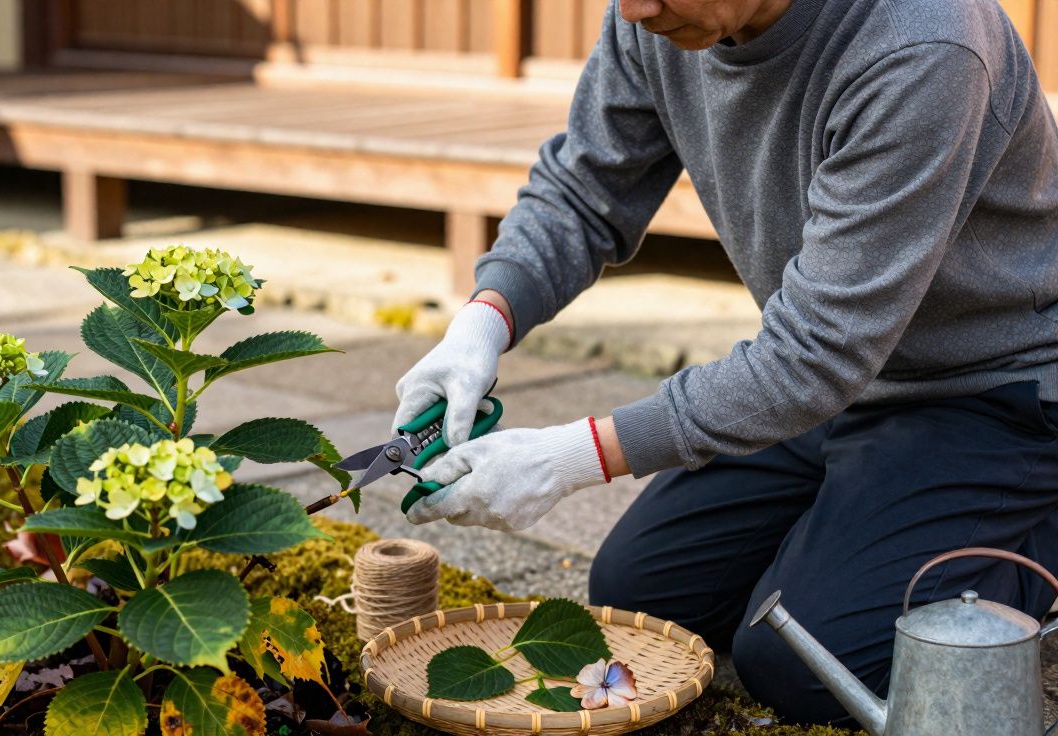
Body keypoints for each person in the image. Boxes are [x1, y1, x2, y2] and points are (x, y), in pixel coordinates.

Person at [392, 0, 1058, 725]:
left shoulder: (924, 42)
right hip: (842, 383)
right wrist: (481, 324)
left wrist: (568, 457)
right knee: (640, 593)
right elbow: (584, 192)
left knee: (811, 666)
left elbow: (813, 357)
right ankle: (864, 517)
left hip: (998, 390)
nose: (639, 9)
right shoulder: (655, 18)